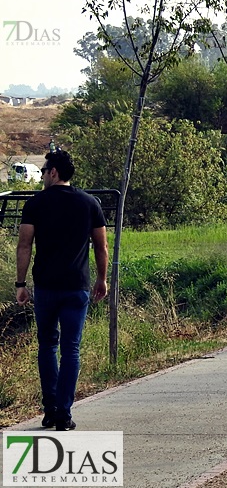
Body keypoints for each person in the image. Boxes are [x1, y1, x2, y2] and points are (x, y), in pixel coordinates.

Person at [16, 150, 109, 431]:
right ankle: (64, 414)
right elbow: (101, 247)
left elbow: (24, 245)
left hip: (46, 287)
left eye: (44, 171)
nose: (43, 175)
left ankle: (49, 410)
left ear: (53, 172)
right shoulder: (89, 203)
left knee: (47, 346)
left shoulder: (35, 203)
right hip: (76, 287)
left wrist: (20, 284)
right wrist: (101, 279)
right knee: (71, 349)